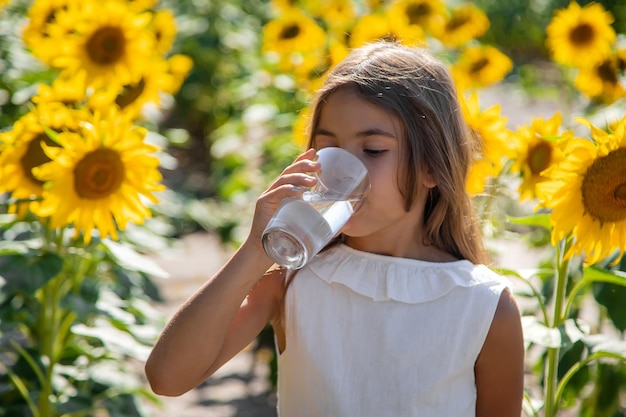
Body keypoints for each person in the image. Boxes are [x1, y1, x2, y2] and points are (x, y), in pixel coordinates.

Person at [145, 41, 525, 417]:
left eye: (373, 150)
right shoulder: (290, 281)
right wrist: (254, 252)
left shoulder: (483, 306)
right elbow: (168, 378)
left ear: (430, 167)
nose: (342, 170)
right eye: (328, 149)